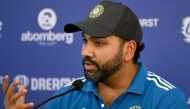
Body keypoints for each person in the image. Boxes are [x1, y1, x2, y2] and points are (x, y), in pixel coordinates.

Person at [2, 1, 189, 109]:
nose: (85, 52)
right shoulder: (65, 97)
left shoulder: (166, 100)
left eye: (99, 43)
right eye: (85, 41)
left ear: (128, 50)